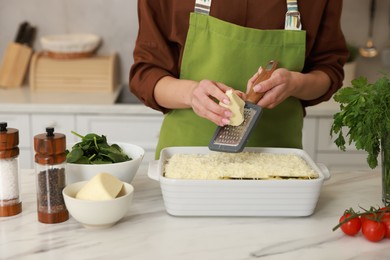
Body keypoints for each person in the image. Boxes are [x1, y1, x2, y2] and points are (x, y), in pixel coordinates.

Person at [130, 0, 349, 159]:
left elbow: (328, 71)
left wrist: (296, 83)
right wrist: (191, 94)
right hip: (186, 158)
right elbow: (146, 74)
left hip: (277, 162)